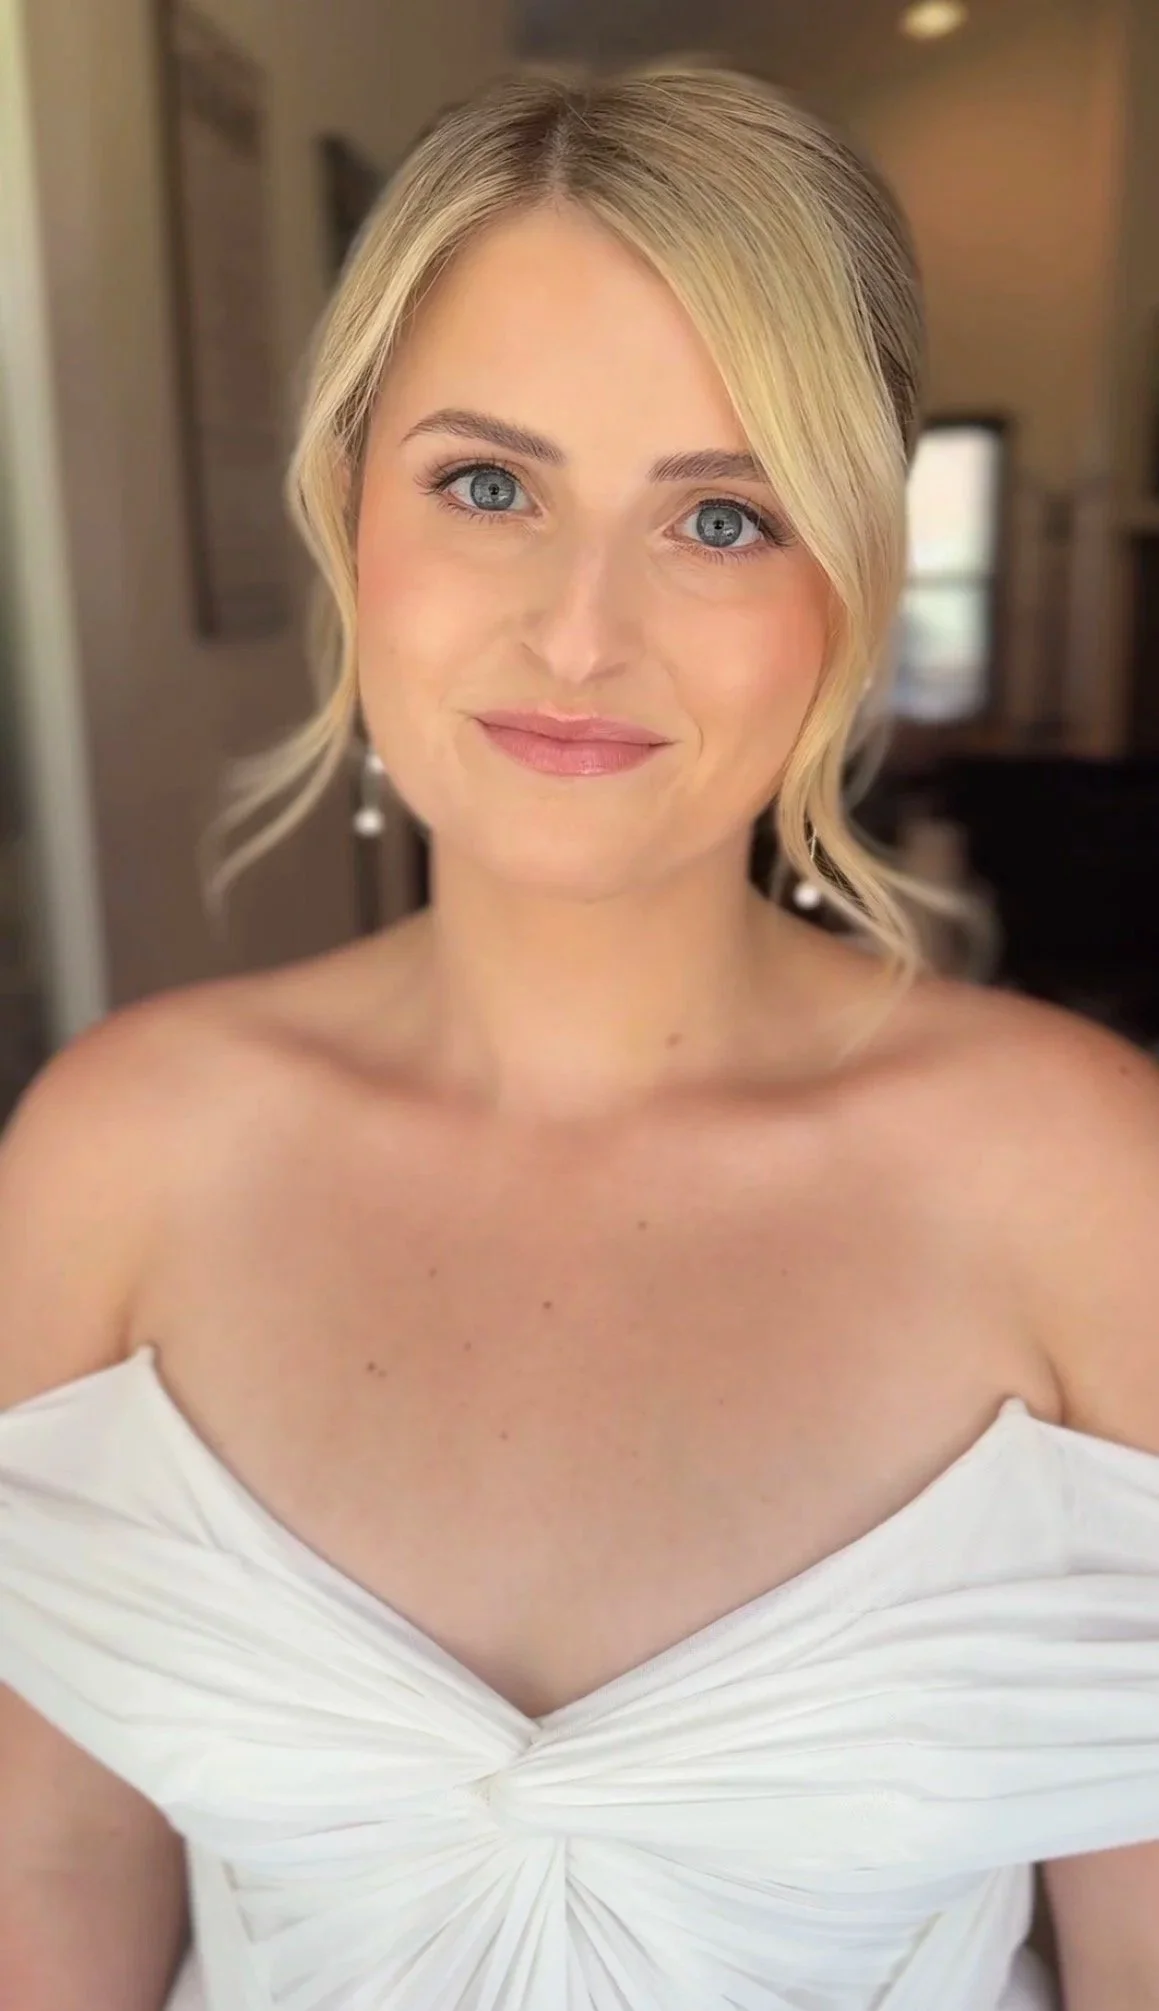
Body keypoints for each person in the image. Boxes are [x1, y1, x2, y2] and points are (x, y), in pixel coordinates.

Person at [1, 57, 1158, 2011]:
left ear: (850, 583)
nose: (579, 632)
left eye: (721, 517)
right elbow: (53, 1863)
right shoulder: (114, 1157)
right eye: (488, 486)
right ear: (346, 508)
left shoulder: (1084, 1183)